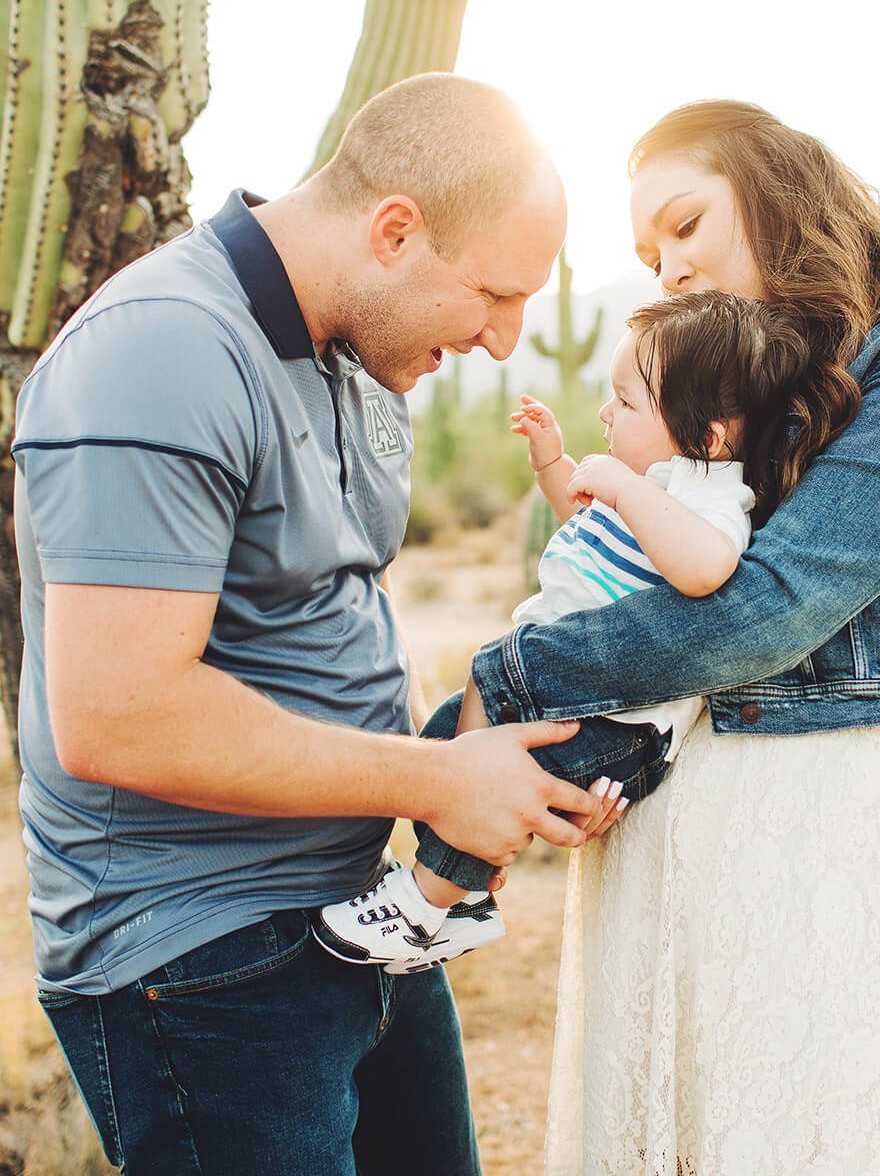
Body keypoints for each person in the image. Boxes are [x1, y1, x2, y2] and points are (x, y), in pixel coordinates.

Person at [8, 73, 619, 1176]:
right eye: (491, 295)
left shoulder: (356, 352)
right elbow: (118, 717)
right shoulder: (163, 350)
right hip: (198, 961)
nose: (499, 339)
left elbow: (308, 618)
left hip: (358, 916)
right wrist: (436, 782)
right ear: (393, 230)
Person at [458, 101, 880, 1176]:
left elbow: (761, 619)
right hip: (674, 816)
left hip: (811, 835)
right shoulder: (721, 387)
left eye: (684, 220)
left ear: (779, 192)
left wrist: (511, 672)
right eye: (650, 253)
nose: (669, 265)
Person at [314, 291, 811, 971]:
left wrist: (631, 492)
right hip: (557, 692)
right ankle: (469, 899)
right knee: (440, 757)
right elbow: (585, 521)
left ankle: (423, 907)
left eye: (628, 402)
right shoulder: (648, 481)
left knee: (484, 778)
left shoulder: (712, 497)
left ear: (707, 436)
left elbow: (704, 569)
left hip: (608, 721)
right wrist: (556, 464)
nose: (607, 412)